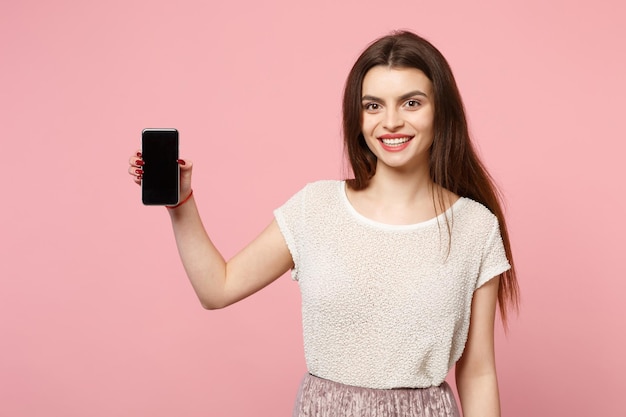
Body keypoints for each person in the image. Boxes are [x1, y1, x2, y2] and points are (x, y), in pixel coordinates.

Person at [128, 30, 519, 417]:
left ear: (441, 111)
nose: (392, 121)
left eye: (411, 103)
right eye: (373, 106)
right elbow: (218, 288)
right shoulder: (315, 208)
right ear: (358, 117)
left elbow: (478, 372)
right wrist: (181, 204)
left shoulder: (475, 228)